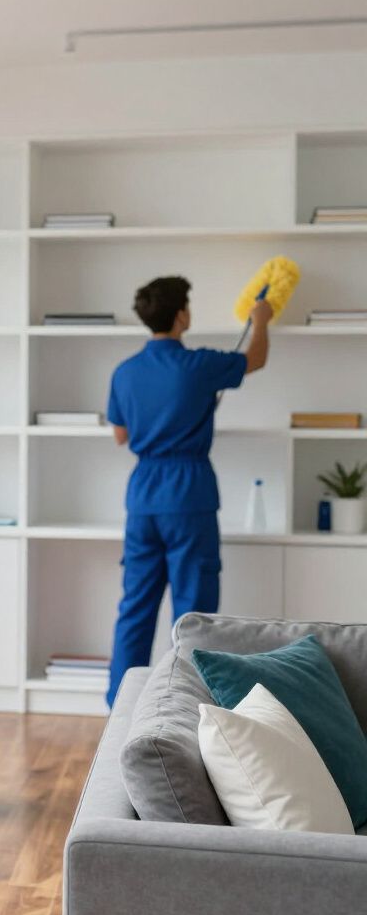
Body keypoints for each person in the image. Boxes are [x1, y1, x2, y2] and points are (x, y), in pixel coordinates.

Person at [106, 275, 272, 707]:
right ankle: (186, 707)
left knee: (135, 608)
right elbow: (254, 358)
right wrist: (261, 319)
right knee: (193, 611)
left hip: (143, 496)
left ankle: (120, 707)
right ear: (182, 314)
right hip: (188, 492)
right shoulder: (198, 366)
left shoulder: (125, 372)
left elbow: (120, 435)